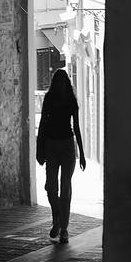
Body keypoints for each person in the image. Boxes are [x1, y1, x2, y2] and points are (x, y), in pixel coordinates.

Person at [36, 68, 86, 244]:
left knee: (66, 187)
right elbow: (42, 124)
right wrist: (39, 149)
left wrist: (82, 152)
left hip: (67, 146)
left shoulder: (71, 101)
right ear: (54, 83)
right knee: (51, 186)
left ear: (67, 83)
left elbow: (77, 127)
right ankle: (56, 216)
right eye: (58, 82)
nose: (60, 85)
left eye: (63, 82)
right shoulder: (49, 99)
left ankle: (64, 228)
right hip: (51, 145)